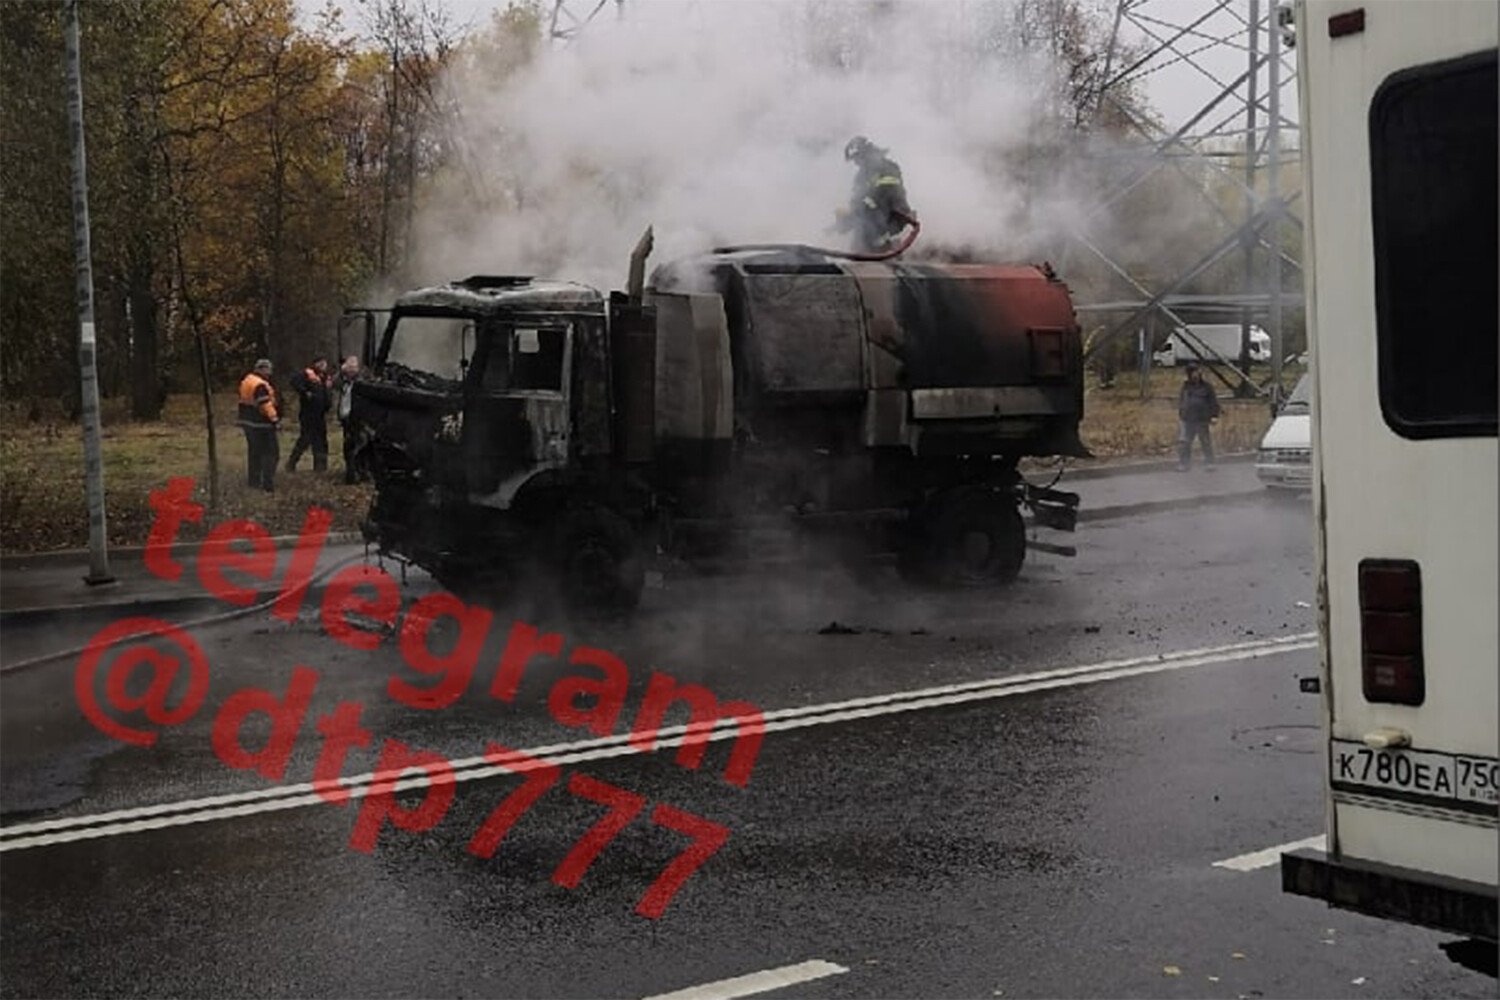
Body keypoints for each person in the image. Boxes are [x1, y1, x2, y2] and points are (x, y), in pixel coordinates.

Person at [834, 135, 917, 254]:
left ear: (865, 153)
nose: (856, 163)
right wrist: (844, 219)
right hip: (872, 217)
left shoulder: (888, 168)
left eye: (857, 158)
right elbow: (857, 200)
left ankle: (888, 249)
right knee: (857, 244)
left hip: (892, 216)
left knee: (873, 239)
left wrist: (861, 206)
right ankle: (871, 251)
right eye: (854, 160)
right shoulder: (861, 175)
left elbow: (886, 195)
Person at [237, 359, 280, 492]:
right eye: (268, 370)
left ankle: (253, 481)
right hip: (261, 424)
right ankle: (268, 483)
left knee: (254, 453)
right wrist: (274, 419)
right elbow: (265, 404)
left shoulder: (247, 380)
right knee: (271, 453)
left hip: (248, 422)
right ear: (262, 370)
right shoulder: (260, 385)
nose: (270, 373)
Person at [287, 356, 332, 473]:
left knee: (321, 440)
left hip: (320, 414)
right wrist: (305, 392)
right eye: (321, 363)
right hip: (308, 413)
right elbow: (293, 381)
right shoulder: (306, 374)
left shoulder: (325, 377)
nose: (323, 366)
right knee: (305, 439)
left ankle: (320, 467)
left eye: (324, 364)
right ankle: (291, 463)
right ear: (315, 364)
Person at [1177, 363, 1221, 471]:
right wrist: (1182, 415)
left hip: (1202, 419)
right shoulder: (1186, 387)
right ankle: (1184, 464)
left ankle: (1210, 463)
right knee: (1186, 443)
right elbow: (1182, 401)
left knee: (1205, 441)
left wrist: (1214, 415)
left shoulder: (1207, 387)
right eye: (1192, 373)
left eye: (1197, 372)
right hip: (1188, 419)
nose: (1195, 375)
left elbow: (1213, 402)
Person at [333, 355, 369, 484]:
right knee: (349, 447)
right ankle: (352, 474)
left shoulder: (361, 381)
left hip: (358, 418)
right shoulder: (344, 381)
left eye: (354, 367)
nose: (351, 369)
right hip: (346, 417)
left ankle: (358, 473)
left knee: (358, 446)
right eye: (349, 367)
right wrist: (341, 371)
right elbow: (334, 383)